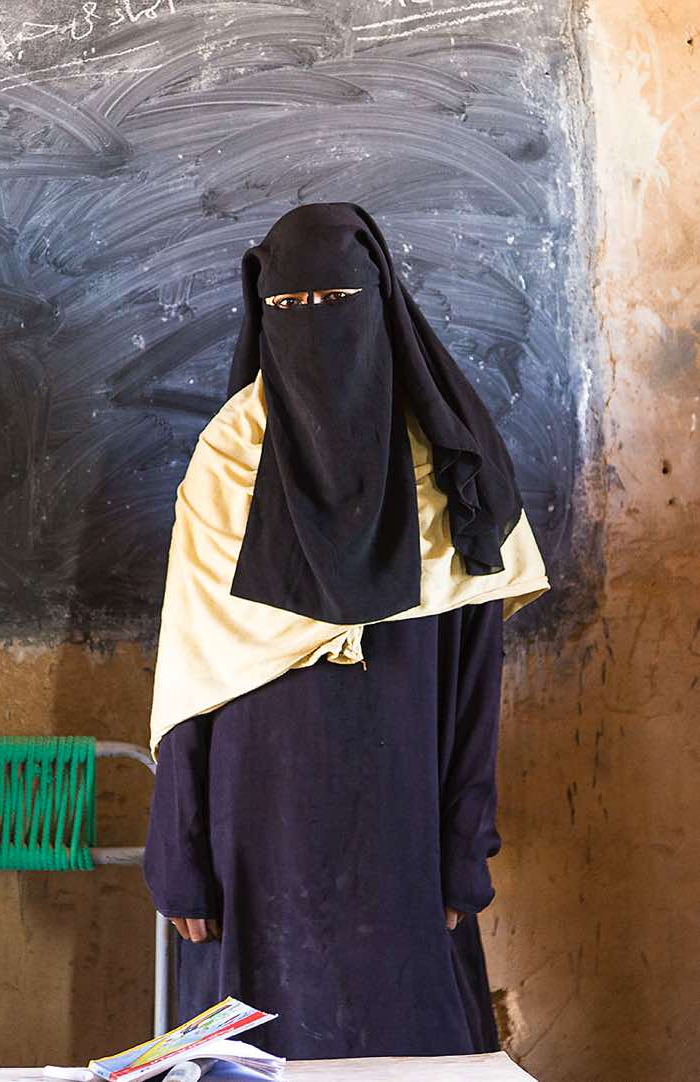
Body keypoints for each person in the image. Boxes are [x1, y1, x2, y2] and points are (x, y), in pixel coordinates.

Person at [143, 202, 549, 1059]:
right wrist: (179, 855)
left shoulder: (452, 459)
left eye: (337, 302)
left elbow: (476, 682)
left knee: (412, 1048)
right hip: (252, 828)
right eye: (289, 310)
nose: (314, 326)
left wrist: (462, 852)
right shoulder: (231, 456)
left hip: (401, 821)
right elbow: (186, 676)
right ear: (261, 316)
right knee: (250, 1055)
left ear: (381, 301)